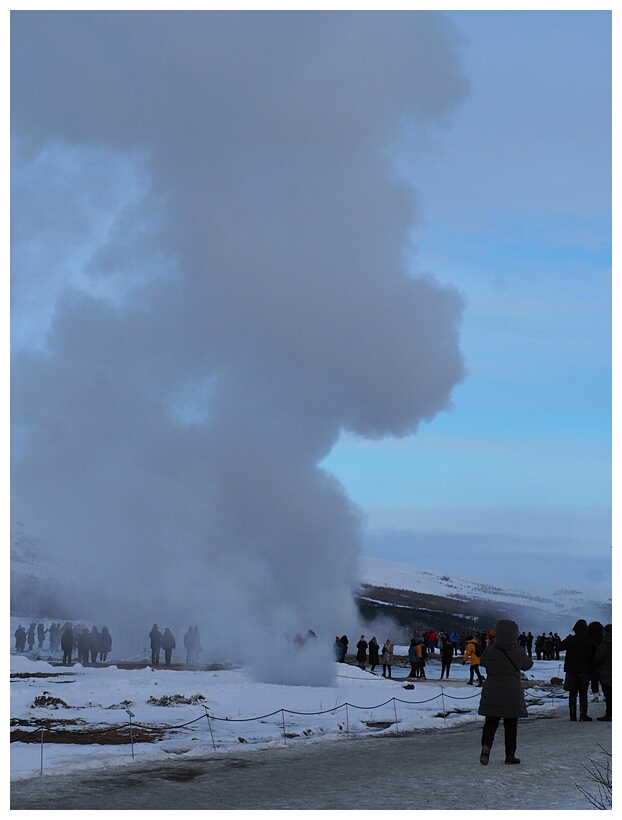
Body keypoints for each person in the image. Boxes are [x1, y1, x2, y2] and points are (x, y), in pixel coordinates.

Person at [478, 619, 534, 765]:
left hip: (492, 688)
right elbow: (528, 665)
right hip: (512, 690)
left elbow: (482, 661)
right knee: (511, 724)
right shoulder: (517, 650)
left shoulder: (490, 649)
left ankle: (486, 747)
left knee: (490, 721)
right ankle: (510, 755)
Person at [558, 619, 595, 721]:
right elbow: (593, 655)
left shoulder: (571, 640)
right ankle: (583, 715)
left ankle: (572, 715)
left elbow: (558, 647)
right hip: (585, 671)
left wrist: (566, 639)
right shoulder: (590, 641)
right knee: (583, 694)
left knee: (572, 694)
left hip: (572, 671)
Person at [594, 623, 612, 721]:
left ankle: (609, 713)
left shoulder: (605, 643)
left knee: (609, 694)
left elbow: (598, 658)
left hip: (607, 672)